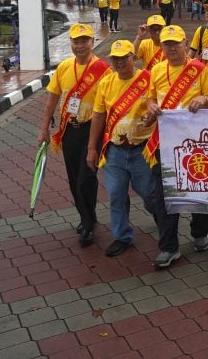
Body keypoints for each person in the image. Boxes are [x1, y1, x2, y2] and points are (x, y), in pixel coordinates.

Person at [144, 25, 208, 268]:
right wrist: (151, 106)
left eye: (176, 43)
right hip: (164, 143)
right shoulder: (155, 70)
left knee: (201, 191)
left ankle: (199, 233)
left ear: (186, 44)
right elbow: (150, 97)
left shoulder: (199, 69)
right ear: (162, 47)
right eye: (167, 44)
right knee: (164, 196)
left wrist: (203, 99)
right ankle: (169, 247)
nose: (172, 48)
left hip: (195, 144)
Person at [85, 40, 162, 258]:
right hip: (115, 150)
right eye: (115, 58)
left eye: (123, 57)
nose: (119, 62)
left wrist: (151, 114)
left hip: (142, 149)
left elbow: (157, 105)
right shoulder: (106, 83)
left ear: (133, 58)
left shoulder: (148, 80)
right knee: (116, 194)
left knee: (148, 193)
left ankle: (161, 215)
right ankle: (122, 236)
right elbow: (99, 115)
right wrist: (92, 148)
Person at [38, 23, 111, 247]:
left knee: (85, 178)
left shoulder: (103, 69)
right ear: (70, 43)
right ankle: (87, 216)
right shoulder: (64, 67)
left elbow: (110, 102)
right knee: (73, 179)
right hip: (69, 129)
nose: (80, 45)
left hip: (92, 129)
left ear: (92, 42)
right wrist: (43, 128)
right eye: (75, 41)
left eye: (84, 41)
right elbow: (52, 97)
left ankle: (88, 224)